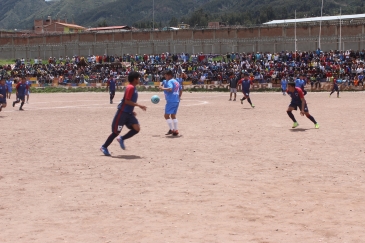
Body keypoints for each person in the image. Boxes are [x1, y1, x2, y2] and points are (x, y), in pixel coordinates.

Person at [100, 72, 147, 156]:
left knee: (136, 128)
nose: (139, 80)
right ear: (135, 79)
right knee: (115, 132)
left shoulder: (134, 88)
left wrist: (131, 110)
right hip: (122, 113)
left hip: (128, 113)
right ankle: (104, 147)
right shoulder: (130, 87)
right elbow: (126, 101)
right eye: (138, 78)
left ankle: (121, 138)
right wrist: (139, 105)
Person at [159, 70, 180, 136]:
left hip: (171, 100)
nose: (165, 77)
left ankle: (172, 129)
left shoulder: (170, 81)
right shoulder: (176, 81)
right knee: (173, 115)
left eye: (166, 75)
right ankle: (176, 129)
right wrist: (178, 97)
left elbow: (170, 89)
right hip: (176, 100)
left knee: (166, 116)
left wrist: (162, 88)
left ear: (169, 75)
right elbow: (181, 90)